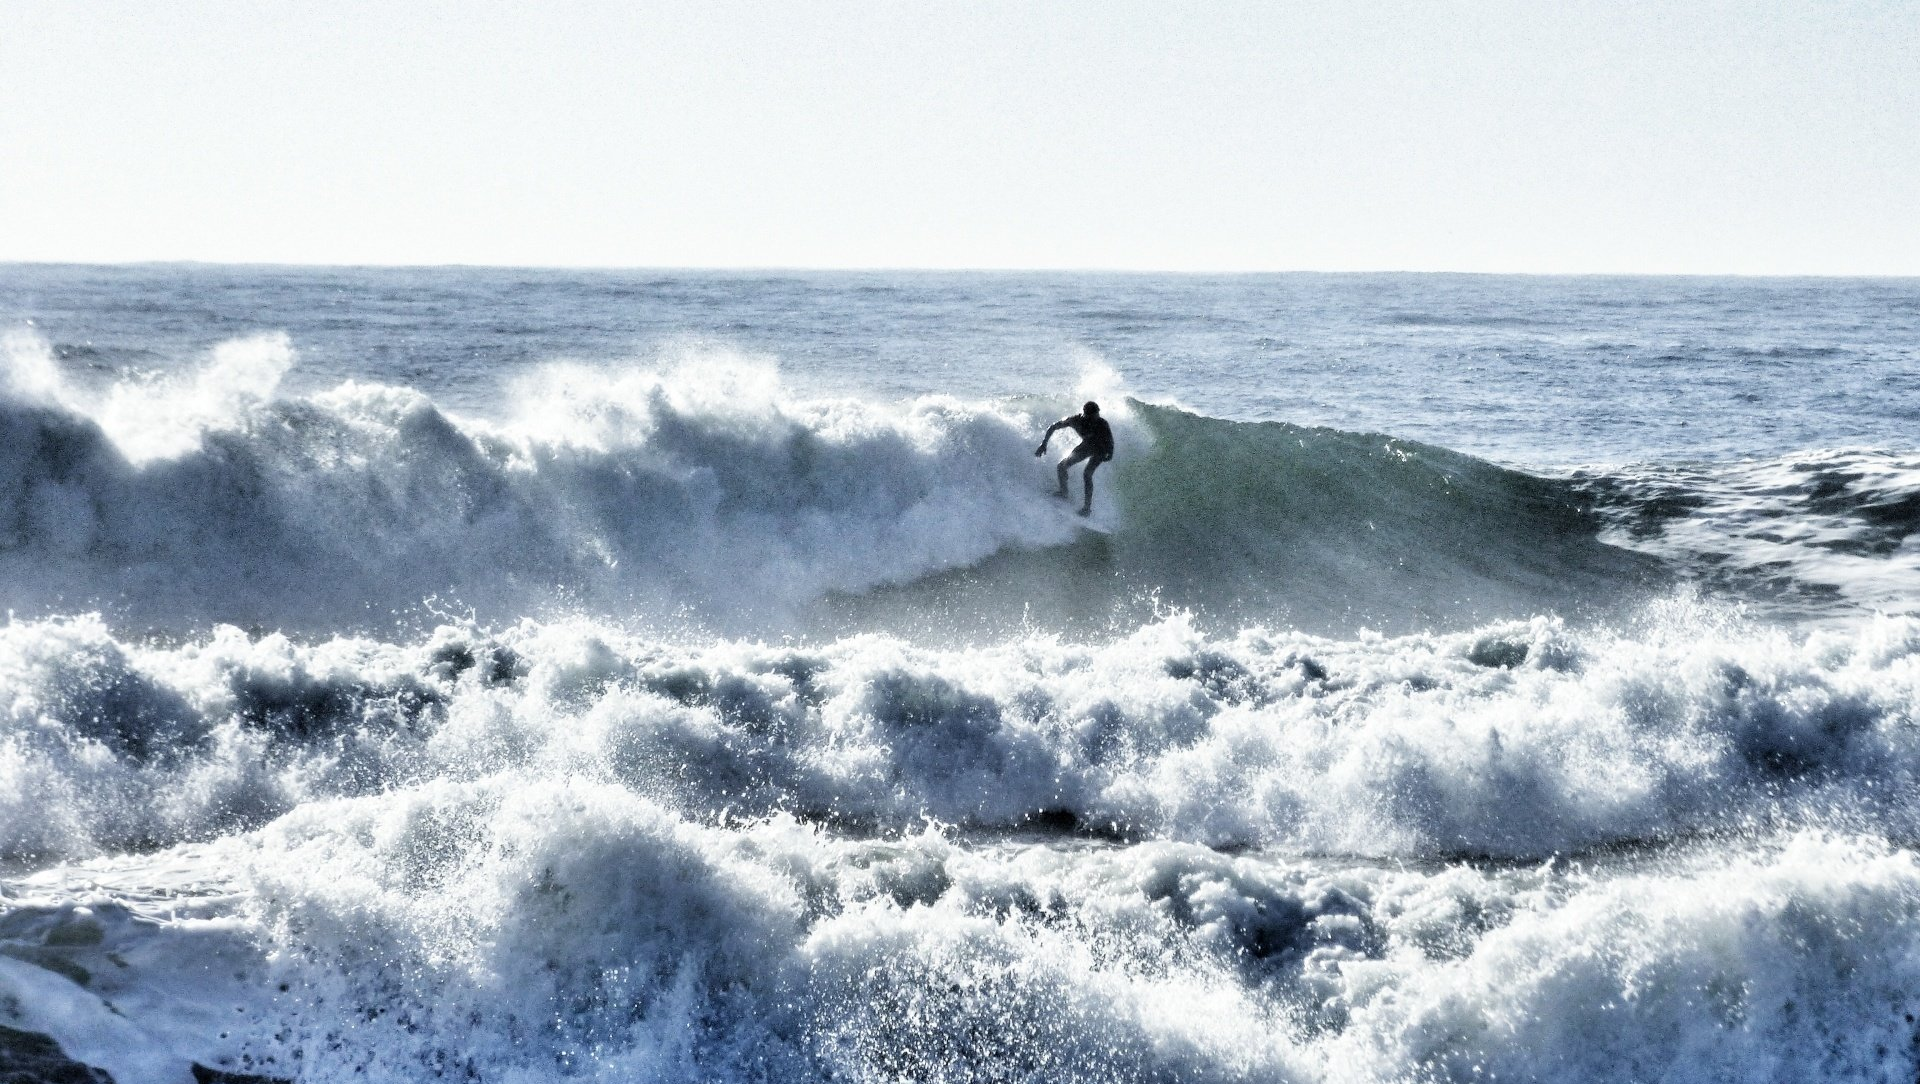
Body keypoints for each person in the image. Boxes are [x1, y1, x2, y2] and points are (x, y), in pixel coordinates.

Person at [1035, 401, 1115, 516]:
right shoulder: (1075, 420)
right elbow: (1053, 427)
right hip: (1086, 446)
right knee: (1061, 466)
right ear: (1086, 415)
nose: (1096, 418)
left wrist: (1110, 454)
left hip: (1101, 449)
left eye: (1097, 415)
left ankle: (1087, 509)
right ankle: (1064, 492)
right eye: (1093, 416)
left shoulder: (1102, 423)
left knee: (1087, 474)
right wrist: (1044, 444)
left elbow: (1110, 441)